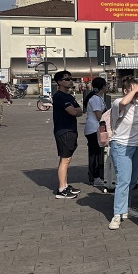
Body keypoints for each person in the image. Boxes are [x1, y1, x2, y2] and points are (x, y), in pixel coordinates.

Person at [108, 76, 138, 230]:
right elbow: (124, 102)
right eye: (134, 90)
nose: (137, 93)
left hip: (137, 146)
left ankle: (127, 208)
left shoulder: (136, 104)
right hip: (122, 146)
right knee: (123, 181)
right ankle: (117, 214)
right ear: (125, 90)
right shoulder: (118, 103)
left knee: (132, 180)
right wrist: (135, 89)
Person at [53, 70, 84, 199]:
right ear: (59, 82)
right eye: (67, 79)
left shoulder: (69, 96)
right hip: (63, 131)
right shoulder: (59, 96)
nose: (70, 81)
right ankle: (61, 189)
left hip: (71, 130)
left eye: (71, 79)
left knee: (67, 159)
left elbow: (80, 111)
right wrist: (75, 110)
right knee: (65, 160)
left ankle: (65, 185)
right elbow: (72, 111)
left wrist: (76, 110)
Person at [82, 77, 107, 187]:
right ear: (103, 86)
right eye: (106, 85)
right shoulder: (96, 99)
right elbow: (98, 116)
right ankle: (95, 177)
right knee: (95, 154)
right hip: (93, 129)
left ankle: (95, 176)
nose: (108, 87)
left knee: (97, 153)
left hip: (94, 129)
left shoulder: (97, 98)